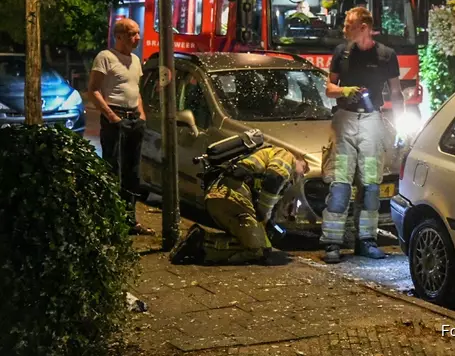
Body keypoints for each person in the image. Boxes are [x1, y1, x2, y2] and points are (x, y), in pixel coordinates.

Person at [320, 7, 403, 264]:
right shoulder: (341, 53)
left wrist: (400, 125)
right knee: (341, 183)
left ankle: (366, 240)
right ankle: (332, 243)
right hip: (345, 121)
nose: (344, 30)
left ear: (364, 27)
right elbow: (329, 88)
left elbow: (396, 92)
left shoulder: (386, 55)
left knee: (370, 185)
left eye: (349, 25)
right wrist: (345, 91)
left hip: (371, 121)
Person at [170, 145, 309, 264]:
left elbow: (266, 193)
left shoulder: (272, 163)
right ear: (299, 161)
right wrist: (264, 215)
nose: (302, 176)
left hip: (222, 195)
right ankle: (202, 244)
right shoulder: (287, 156)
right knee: (261, 249)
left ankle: (201, 242)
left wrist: (267, 223)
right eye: (304, 169)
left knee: (253, 243)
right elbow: (274, 179)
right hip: (233, 195)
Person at [88, 18, 154, 235]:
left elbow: (136, 90)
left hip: (134, 118)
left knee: (132, 172)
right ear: (119, 36)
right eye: (133, 34)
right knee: (112, 169)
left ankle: (129, 220)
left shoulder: (135, 60)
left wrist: (141, 114)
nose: (138, 37)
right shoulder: (106, 58)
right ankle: (110, 220)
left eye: (138, 33)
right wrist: (112, 117)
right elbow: (94, 90)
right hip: (115, 118)